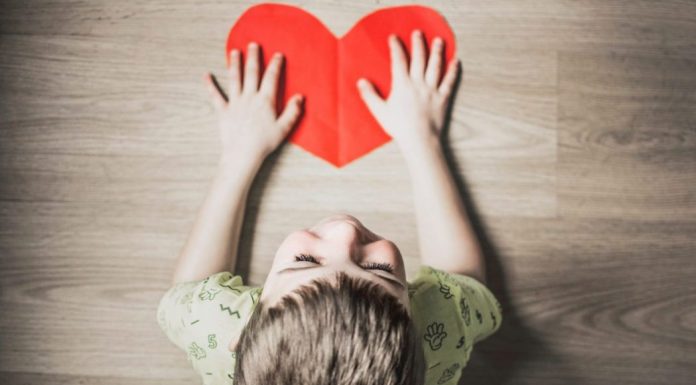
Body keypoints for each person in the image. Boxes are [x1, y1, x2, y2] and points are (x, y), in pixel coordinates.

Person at [157, 29, 502, 385]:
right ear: (419, 323)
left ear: (239, 336)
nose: (346, 231)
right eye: (380, 269)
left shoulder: (211, 324)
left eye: (304, 262)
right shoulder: (439, 334)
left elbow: (187, 292)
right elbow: (466, 282)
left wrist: (238, 156)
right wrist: (421, 138)